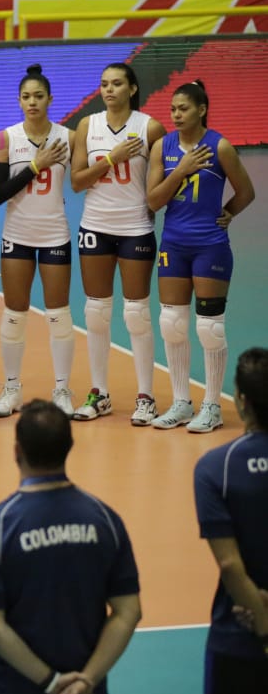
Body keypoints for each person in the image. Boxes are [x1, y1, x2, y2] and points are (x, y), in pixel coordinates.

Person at [0, 399, 142, 694]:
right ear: (69, 447)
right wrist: (87, 680)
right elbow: (128, 611)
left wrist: (50, 682)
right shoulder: (106, 521)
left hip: (12, 688)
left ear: (17, 451)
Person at [147, 80, 255, 432]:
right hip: (174, 245)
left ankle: (211, 406)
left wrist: (227, 213)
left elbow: (246, 191)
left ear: (201, 109)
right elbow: (153, 201)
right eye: (173, 109)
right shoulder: (163, 148)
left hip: (209, 245)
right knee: (172, 324)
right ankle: (181, 402)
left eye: (184, 108)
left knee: (209, 327)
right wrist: (181, 169)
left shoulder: (219, 146)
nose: (176, 114)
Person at [68, 63, 165, 425]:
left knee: (136, 312)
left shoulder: (149, 127)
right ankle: (100, 393)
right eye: (104, 84)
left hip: (135, 227)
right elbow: (77, 181)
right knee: (96, 311)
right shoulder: (87, 126)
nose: (109, 90)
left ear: (132, 88)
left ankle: (146, 396)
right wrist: (112, 159)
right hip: (95, 225)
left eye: (117, 84)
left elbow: (162, 180)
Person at [0, 64, 76, 419]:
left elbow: (85, 177)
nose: (32, 102)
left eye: (39, 96)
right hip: (18, 236)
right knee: (14, 314)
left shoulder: (69, 137)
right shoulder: (6, 139)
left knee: (58, 315)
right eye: (26, 97)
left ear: (50, 99)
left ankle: (62, 389)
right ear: (19, 101)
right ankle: (11, 388)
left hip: (55, 232)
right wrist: (36, 165)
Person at [193, 347, 268, 694]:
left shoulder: (215, 467)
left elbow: (230, 565)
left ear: (240, 399)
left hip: (238, 635)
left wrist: (264, 624)